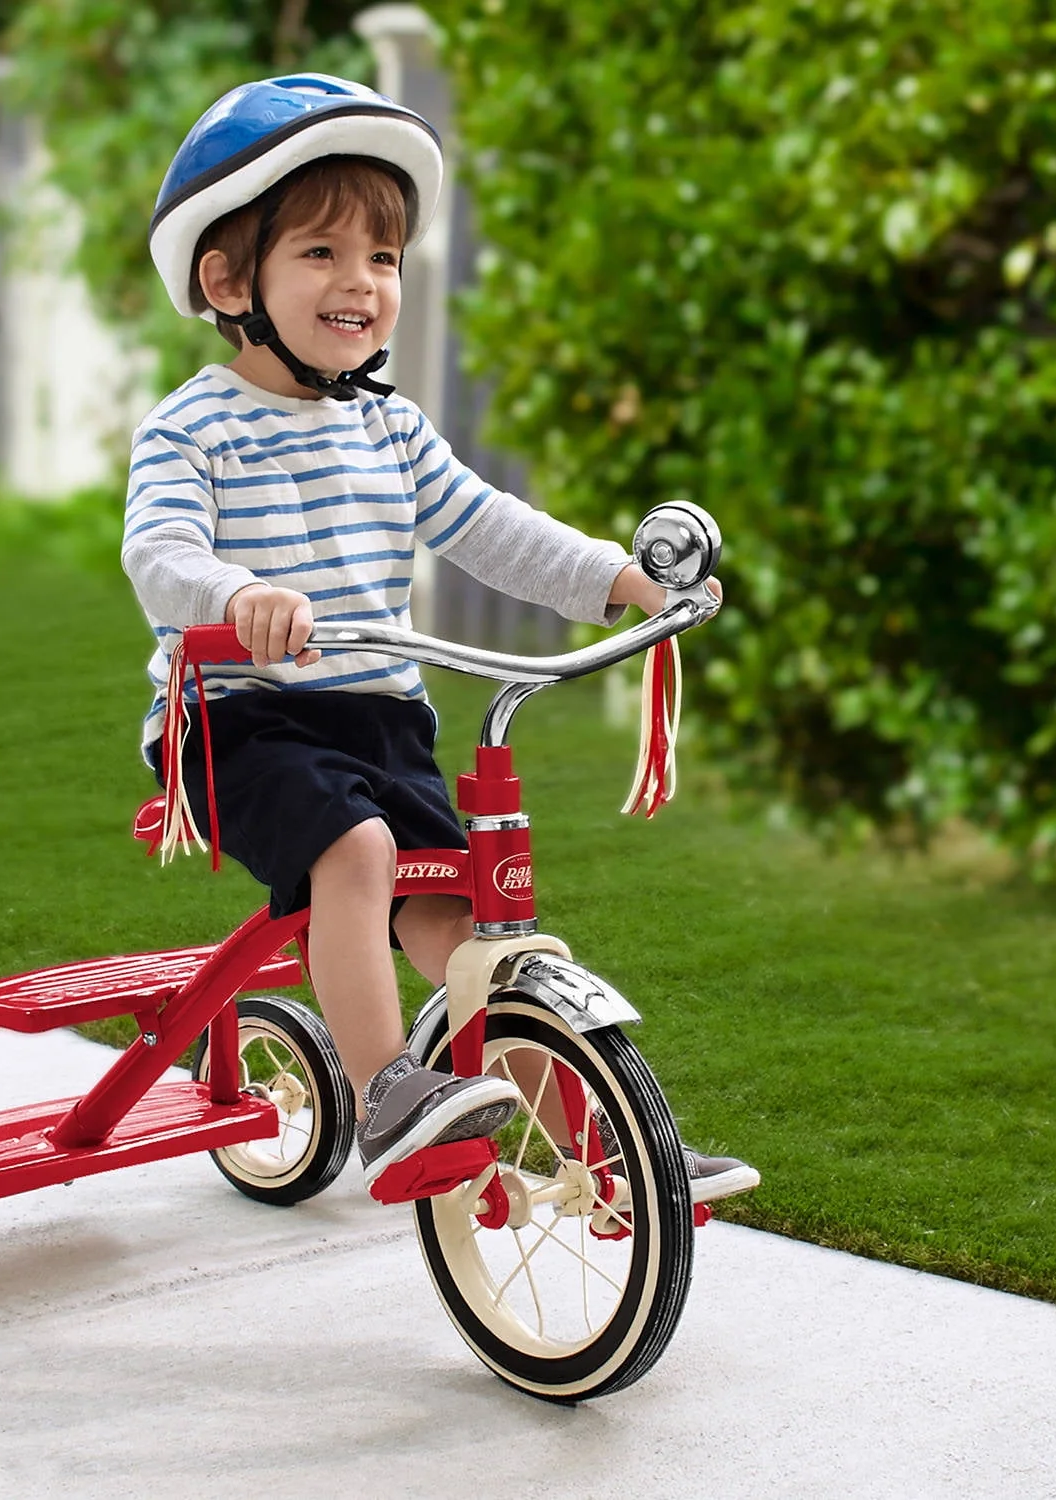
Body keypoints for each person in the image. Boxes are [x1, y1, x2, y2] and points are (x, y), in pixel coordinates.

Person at [123, 74, 758, 1203]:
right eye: (320, 253)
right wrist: (237, 596)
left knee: (469, 925)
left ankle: (609, 1153)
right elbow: (159, 556)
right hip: (237, 722)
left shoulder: (390, 426)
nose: (360, 281)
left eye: (382, 257)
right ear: (230, 281)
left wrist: (622, 582)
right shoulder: (193, 427)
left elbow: (491, 529)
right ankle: (385, 1093)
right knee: (356, 857)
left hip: (377, 719)